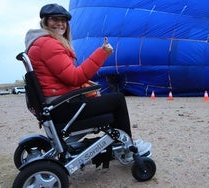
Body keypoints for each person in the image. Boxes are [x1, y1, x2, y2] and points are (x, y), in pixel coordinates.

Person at [24, 3, 151, 158]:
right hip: (62, 108)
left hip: (55, 105)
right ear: (45, 21)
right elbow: (75, 77)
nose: (60, 23)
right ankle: (126, 145)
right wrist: (102, 53)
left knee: (103, 100)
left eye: (63, 20)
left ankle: (116, 143)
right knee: (117, 99)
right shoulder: (48, 44)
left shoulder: (39, 43)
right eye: (54, 19)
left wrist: (82, 86)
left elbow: (62, 78)